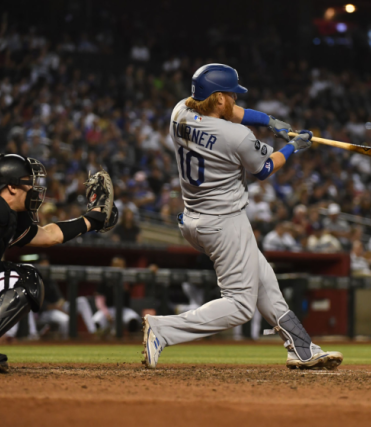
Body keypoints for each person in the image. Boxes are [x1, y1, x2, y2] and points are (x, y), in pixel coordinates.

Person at [142, 63, 342, 370]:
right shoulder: (236, 136)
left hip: (195, 218)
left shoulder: (180, 111)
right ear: (220, 98)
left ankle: (301, 347)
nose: (236, 100)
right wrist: (292, 147)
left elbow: (230, 113)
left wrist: (269, 121)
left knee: (265, 282)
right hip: (224, 222)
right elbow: (263, 169)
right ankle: (164, 329)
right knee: (239, 306)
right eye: (232, 95)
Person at [0, 154, 116, 372]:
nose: (34, 188)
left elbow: (49, 235)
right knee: (24, 278)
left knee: (15, 275)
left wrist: (92, 219)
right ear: (11, 187)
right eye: (29, 182)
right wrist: (9, 270)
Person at [92, 256, 143, 335]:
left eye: (121, 265)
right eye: (116, 265)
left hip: (124, 310)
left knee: (133, 321)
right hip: (108, 309)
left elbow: (141, 276)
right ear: (111, 266)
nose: (118, 268)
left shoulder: (128, 277)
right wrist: (107, 314)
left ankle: (128, 342)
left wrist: (151, 269)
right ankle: (101, 339)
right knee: (95, 322)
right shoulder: (105, 279)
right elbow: (99, 300)